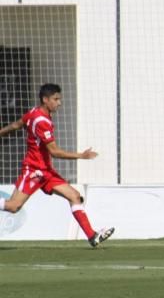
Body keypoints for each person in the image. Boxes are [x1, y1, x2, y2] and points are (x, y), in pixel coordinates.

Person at [0, 83, 114, 247]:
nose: (59, 103)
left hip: (46, 171)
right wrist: (81, 155)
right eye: (56, 99)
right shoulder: (42, 121)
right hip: (34, 170)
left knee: (74, 196)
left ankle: (92, 236)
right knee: (13, 206)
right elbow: (55, 151)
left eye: (59, 99)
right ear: (45, 100)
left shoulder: (33, 113)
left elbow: (17, 125)